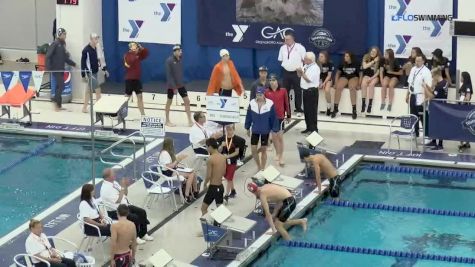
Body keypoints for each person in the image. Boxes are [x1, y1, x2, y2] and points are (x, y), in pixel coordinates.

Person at [99, 168, 153, 245]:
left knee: (142, 212)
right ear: (107, 177)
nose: (115, 174)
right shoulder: (105, 189)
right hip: (116, 211)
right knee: (134, 218)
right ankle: (135, 237)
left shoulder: (114, 183)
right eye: (113, 173)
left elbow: (125, 194)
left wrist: (125, 186)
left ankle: (143, 234)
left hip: (125, 206)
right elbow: (118, 200)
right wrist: (123, 187)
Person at [245, 87, 279, 171]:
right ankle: (258, 166)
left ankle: (263, 168)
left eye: (260, 94)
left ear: (264, 95)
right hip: (255, 130)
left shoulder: (270, 103)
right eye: (257, 94)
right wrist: (247, 127)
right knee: (253, 150)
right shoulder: (252, 103)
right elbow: (248, 116)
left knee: (264, 150)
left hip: (265, 130)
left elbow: (273, 118)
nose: (259, 96)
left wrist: (274, 130)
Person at [158, 137, 199, 203]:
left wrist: (178, 161)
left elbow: (173, 164)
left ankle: (195, 191)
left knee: (194, 172)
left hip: (173, 170)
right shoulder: (164, 154)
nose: (174, 145)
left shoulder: (169, 152)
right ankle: (186, 195)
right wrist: (178, 160)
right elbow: (169, 166)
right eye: (173, 144)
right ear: (170, 145)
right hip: (168, 172)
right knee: (191, 174)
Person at [46, 28, 77, 112]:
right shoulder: (55, 44)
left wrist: (73, 64)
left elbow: (65, 58)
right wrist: (48, 68)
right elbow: (48, 56)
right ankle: (56, 105)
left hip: (61, 69)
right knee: (61, 86)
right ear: (60, 34)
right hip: (56, 69)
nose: (65, 36)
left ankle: (58, 105)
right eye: (64, 34)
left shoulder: (62, 44)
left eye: (65, 34)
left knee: (59, 87)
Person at [278, 31, 306, 116]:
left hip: (297, 72)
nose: (286, 41)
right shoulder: (282, 48)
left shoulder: (300, 47)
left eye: (288, 39)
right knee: (285, 91)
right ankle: (287, 109)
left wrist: (301, 69)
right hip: (286, 72)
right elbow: (281, 59)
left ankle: (298, 109)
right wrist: (287, 65)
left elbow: (305, 60)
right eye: (285, 39)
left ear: (293, 39)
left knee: (298, 91)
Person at [265, 74, 290, 166]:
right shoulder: (266, 92)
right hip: (271, 118)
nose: (272, 82)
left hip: (280, 117)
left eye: (274, 80)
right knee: (274, 138)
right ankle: (277, 153)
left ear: (277, 81)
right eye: (270, 80)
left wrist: (289, 115)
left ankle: (281, 156)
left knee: (280, 137)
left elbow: (287, 103)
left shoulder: (283, 91)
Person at [165, 44, 193, 127]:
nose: (181, 52)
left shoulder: (179, 59)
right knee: (169, 102)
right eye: (179, 51)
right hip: (171, 86)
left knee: (187, 101)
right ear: (175, 51)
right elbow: (169, 75)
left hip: (180, 84)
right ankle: (167, 120)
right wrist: (174, 87)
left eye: (181, 51)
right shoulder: (169, 61)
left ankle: (190, 121)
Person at [217, 124, 245, 201]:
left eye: (230, 130)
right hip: (224, 161)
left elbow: (236, 152)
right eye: (227, 130)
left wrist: (228, 156)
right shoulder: (222, 138)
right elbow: (218, 151)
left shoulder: (237, 140)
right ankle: (233, 191)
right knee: (228, 177)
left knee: (229, 177)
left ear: (233, 130)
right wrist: (222, 146)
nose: (228, 131)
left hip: (232, 161)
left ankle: (226, 195)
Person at [406, 55, 432, 138]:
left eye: (419, 61)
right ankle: (415, 132)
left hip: (421, 97)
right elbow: (410, 82)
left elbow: (428, 86)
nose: (417, 62)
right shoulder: (413, 69)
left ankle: (427, 135)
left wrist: (426, 99)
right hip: (413, 95)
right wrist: (407, 94)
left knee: (422, 116)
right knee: (413, 115)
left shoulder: (426, 71)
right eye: (416, 61)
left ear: (423, 61)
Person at [81, 33, 107, 113]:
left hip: (95, 72)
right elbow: (83, 63)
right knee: (98, 89)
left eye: (97, 38)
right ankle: (99, 108)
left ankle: (84, 108)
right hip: (90, 73)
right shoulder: (86, 50)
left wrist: (104, 69)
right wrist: (83, 75)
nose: (97, 40)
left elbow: (101, 59)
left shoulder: (97, 48)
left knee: (88, 91)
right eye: (95, 38)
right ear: (91, 39)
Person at [201, 138, 227, 216]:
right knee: (220, 209)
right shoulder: (223, 157)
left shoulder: (210, 159)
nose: (206, 149)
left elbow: (208, 175)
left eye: (206, 147)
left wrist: (205, 184)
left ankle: (206, 225)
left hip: (213, 187)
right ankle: (220, 225)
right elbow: (224, 172)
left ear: (210, 147)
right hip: (220, 186)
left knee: (203, 208)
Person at [424, 69, 448, 150]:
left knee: (439, 126)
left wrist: (425, 88)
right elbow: (434, 92)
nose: (432, 78)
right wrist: (427, 86)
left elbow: (431, 96)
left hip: (439, 108)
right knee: (434, 124)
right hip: (439, 107)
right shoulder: (444, 82)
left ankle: (440, 145)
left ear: (437, 75)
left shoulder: (440, 85)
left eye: (432, 76)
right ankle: (434, 141)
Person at [332, 51, 360, 119]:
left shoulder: (356, 63)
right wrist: (335, 83)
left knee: (352, 87)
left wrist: (359, 84)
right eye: (345, 56)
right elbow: (337, 74)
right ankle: (335, 108)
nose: (345, 57)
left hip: (354, 77)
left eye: (347, 56)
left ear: (351, 57)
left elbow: (361, 74)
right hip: (344, 76)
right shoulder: (342, 63)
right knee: (338, 87)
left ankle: (354, 110)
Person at [297, 52, 320, 134]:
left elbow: (308, 79)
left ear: (310, 60)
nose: (304, 60)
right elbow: (300, 76)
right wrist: (299, 71)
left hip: (312, 92)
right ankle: (308, 127)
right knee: (306, 111)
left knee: (312, 111)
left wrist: (302, 73)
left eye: (306, 58)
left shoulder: (315, 68)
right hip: (305, 91)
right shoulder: (306, 66)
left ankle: (314, 129)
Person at [124, 42, 148, 116]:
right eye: (134, 45)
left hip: (137, 80)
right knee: (126, 98)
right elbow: (130, 62)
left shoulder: (138, 54)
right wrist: (136, 53)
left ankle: (143, 115)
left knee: (140, 97)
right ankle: (121, 114)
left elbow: (146, 53)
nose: (136, 47)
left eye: (136, 45)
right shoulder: (127, 55)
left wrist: (141, 48)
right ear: (130, 47)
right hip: (129, 79)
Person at [360, 47, 381, 114]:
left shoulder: (379, 59)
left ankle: (370, 104)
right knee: (363, 84)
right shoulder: (366, 56)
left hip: (374, 76)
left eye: (374, 52)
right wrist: (373, 61)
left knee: (371, 85)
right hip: (366, 75)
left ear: (377, 53)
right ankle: (363, 103)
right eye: (372, 51)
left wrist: (371, 78)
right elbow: (364, 66)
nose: (373, 53)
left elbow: (378, 72)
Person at [458, 72, 473, 153]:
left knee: (463, 125)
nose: (460, 77)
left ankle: (463, 143)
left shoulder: (467, 86)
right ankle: (466, 142)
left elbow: (467, 98)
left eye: (461, 76)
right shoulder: (464, 85)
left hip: (464, 109)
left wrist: (462, 101)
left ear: (464, 77)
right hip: (461, 107)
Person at [318, 51, 334, 116]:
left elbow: (329, 75)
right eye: (319, 56)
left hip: (328, 79)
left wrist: (324, 83)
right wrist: (320, 82)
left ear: (325, 57)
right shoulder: (317, 63)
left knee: (327, 90)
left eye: (321, 56)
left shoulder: (330, 63)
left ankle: (329, 107)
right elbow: (317, 75)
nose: (320, 58)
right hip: (319, 79)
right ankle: (314, 106)